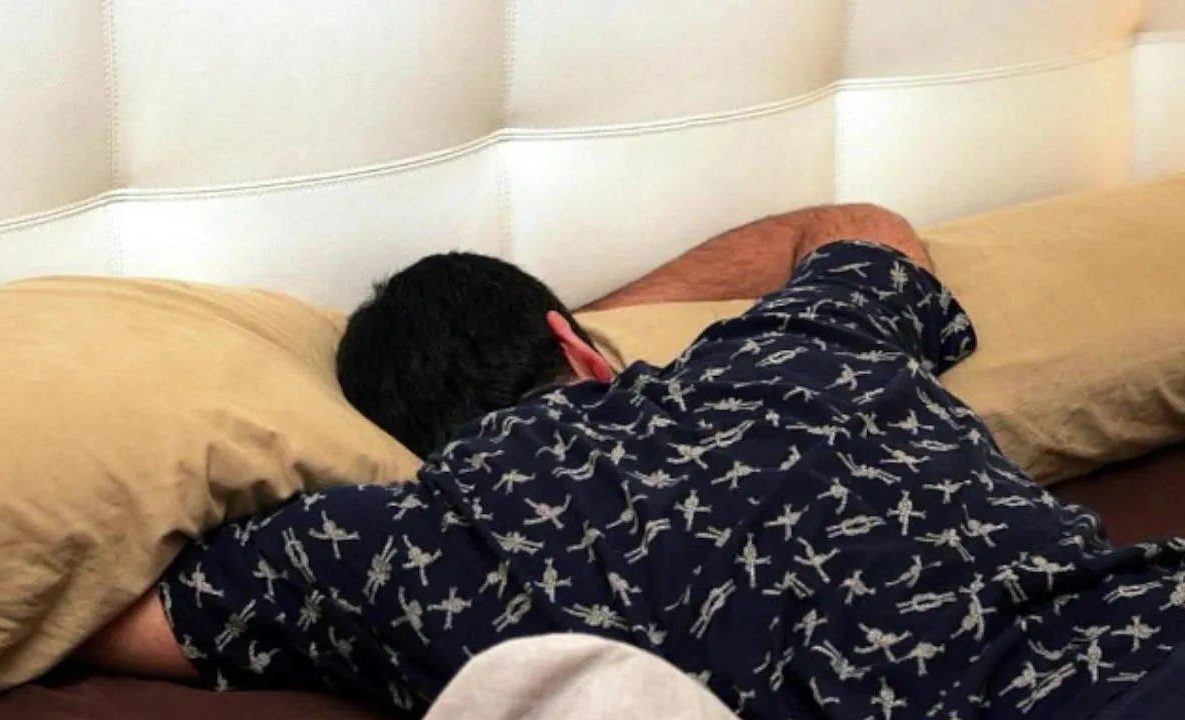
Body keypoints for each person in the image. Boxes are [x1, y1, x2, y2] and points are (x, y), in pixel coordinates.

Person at [79, 203, 1185, 719]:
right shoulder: (792, 345)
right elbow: (857, 224)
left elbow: (99, 610)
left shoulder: (389, 542)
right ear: (569, 343)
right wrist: (606, 322)